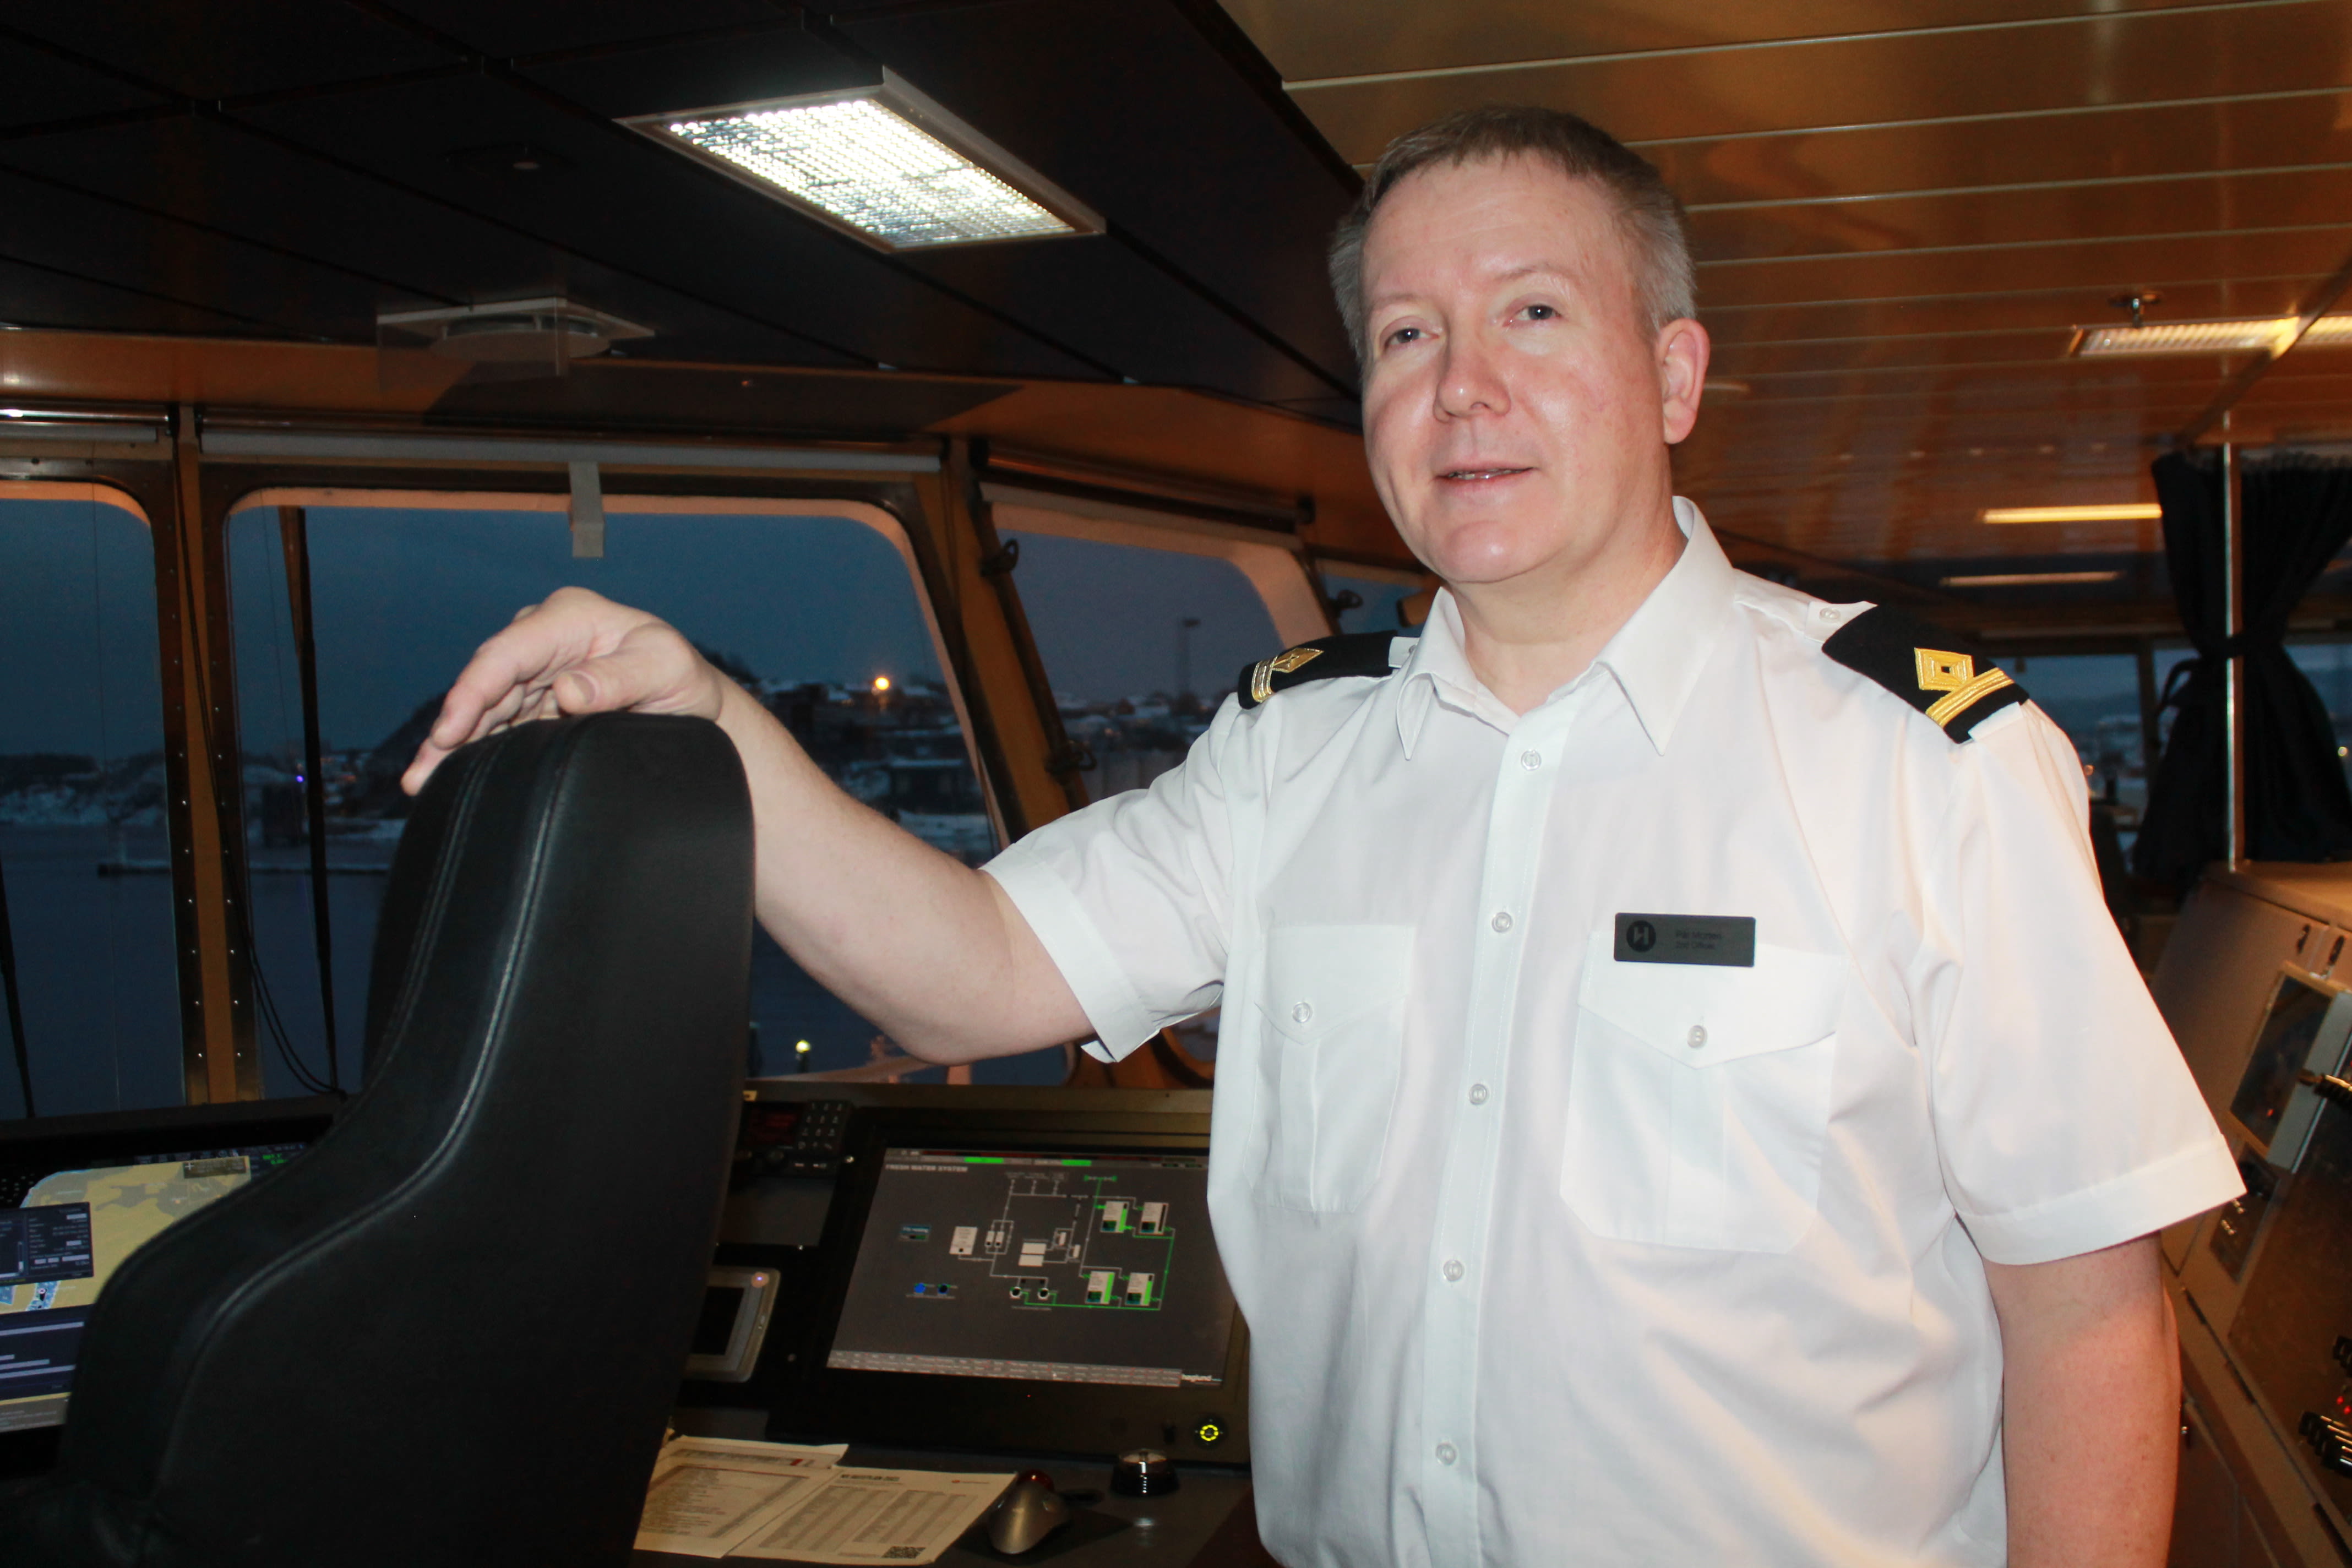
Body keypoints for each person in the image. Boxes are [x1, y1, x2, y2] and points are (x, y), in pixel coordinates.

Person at [407, 106, 2240, 1567]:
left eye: (1535, 314)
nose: (1464, 386)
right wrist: (709, 718)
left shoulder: (1920, 764)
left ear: (1675, 377)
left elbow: (2086, 1315)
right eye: (1407, 335)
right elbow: (975, 973)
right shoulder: (1293, 757)